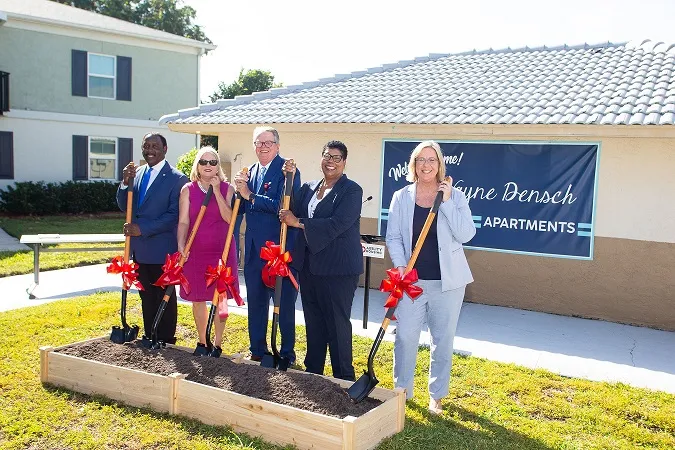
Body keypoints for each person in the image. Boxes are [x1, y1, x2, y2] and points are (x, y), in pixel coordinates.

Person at [385, 140, 476, 414]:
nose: (426, 165)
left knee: (442, 340)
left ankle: (436, 395)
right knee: (405, 338)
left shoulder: (455, 196)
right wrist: (401, 265)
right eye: (421, 160)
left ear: (440, 165)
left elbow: (466, 234)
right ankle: (402, 390)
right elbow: (394, 236)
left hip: (447, 284)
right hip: (411, 282)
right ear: (413, 165)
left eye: (432, 159)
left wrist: (446, 203)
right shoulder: (401, 196)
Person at [279, 141, 363, 381]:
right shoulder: (309, 187)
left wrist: (299, 222)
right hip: (310, 267)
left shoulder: (351, 191)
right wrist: (290, 178)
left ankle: (344, 378)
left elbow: (337, 224)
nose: (331, 162)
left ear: (344, 162)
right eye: (327, 156)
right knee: (313, 322)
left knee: (336, 325)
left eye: (336, 158)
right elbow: (289, 207)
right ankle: (313, 374)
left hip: (338, 269)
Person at [233, 126, 301, 363]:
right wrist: (237, 192)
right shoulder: (249, 172)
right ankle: (258, 349)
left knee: (283, 304)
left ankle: (286, 353)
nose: (263, 146)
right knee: (257, 303)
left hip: (277, 251)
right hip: (253, 251)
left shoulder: (287, 171)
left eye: (268, 142)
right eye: (258, 143)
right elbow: (240, 208)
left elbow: (283, 206)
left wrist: (250, 195)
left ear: (277, 146)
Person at [117, 133, 188, 345]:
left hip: (162, 249)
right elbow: (124, 205)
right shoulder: (136, 174)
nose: (150, 150)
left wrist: (143, 228)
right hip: (139, 249)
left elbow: (173, 215)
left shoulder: (177, 179)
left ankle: (165, 339)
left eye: (155, 146)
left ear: (164, 149)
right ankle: (150, 335)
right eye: (146, 146)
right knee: (145, 294)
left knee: (164, 296)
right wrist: (124, 182)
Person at [177, 147, 238, 358]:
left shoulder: (228, 189)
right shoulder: (187, 189)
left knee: (220, 297)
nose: (208, 166)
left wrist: (218, 193)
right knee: (198, 298)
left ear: (218, 166)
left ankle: (218, 344)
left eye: (213, 162)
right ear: (198, 165)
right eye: (204, 162)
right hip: (196, 251)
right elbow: (184, 221)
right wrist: (181, 245)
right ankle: (203, 341)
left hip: (222, 250)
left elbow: (230, 219)